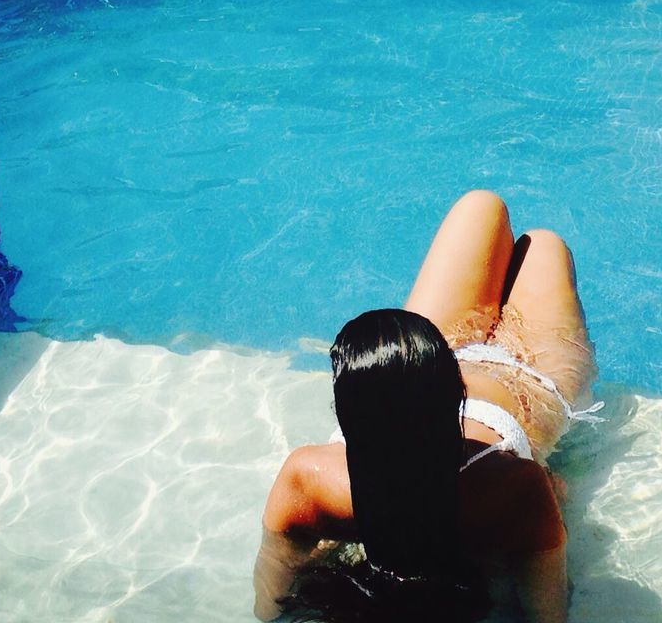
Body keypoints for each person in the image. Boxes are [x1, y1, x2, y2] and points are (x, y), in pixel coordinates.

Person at [253, 189, 602, 623]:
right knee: (540, 242)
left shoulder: (311, 480)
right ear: (456, 394)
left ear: (347, 414)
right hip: (525, 378)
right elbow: (548, 613)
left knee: (485, 210)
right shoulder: (511, 486)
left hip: (407, 371)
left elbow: (271, 608)